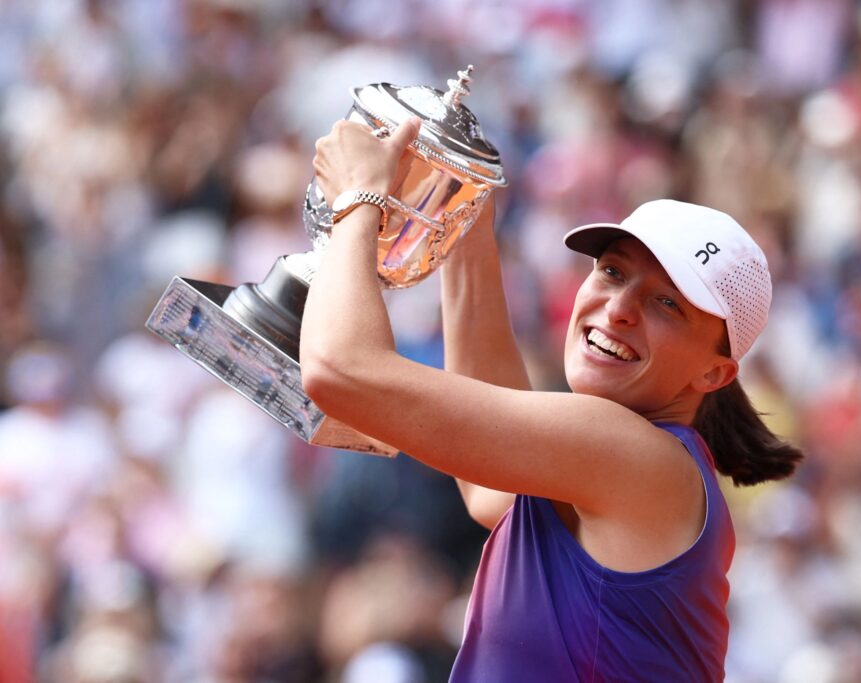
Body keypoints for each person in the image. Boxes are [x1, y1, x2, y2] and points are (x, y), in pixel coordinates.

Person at [301, 116, 803, 682]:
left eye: (668, 304)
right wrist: (464, 219)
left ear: (714, 373)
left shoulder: (632, 454)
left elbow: (340, 370)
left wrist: (358, 197)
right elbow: (489, 490)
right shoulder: (613, 466)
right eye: (613, 271)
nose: (619, 308)